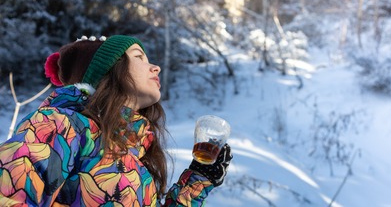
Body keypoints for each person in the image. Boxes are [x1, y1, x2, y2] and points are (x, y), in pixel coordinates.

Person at [0, 35, 232, 206]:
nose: (156, 67)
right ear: (109, 70)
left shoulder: (134, 153)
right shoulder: (61, 126)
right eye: (139, 57)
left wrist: (198, 179)